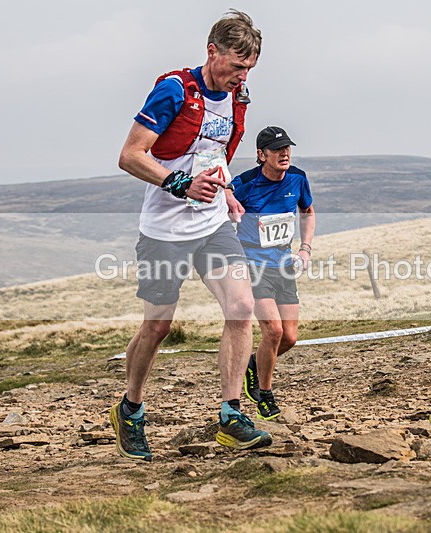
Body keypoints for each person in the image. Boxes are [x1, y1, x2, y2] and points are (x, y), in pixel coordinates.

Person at [111, 10, 271, 462]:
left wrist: (229, 192)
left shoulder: (239, 96)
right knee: (158, 327)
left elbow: (214, 152)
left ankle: (231, 414)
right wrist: (179, 184)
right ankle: (131, 408)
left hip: (213, 222)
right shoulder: (175, 89)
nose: (242, 76)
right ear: (212, 51)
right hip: (164, 228)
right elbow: (130, 155)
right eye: (236, 65)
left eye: (249, 69)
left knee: (241, 308)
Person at [232, 126, 315, 420]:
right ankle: (265, 395)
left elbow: (307, 211)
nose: (285, 153)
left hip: (283, 264)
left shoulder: (297, 178)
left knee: (289, 338)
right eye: (278, 149)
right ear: (261, 154)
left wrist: (304, 248)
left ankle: (253, 365)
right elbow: (222, 212)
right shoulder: (243, 184)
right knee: (274, 331)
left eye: (287, 148)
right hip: (254, 265)